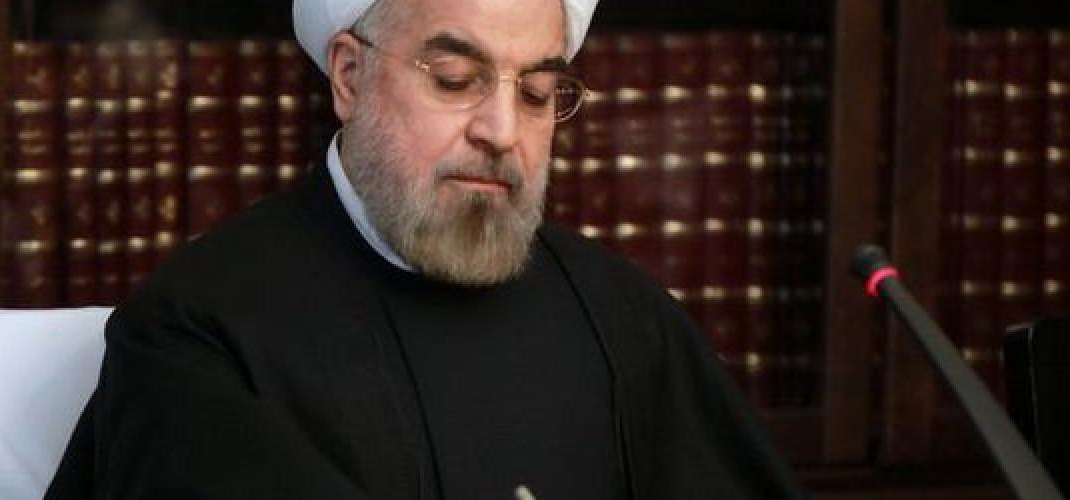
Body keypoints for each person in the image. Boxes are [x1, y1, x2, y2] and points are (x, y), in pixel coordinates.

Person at [45, 0, 808, 498]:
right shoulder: (201, 335)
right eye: (454, 79)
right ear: (349, 76)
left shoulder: (624, 321)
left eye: (536, 93)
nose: (502, 131)